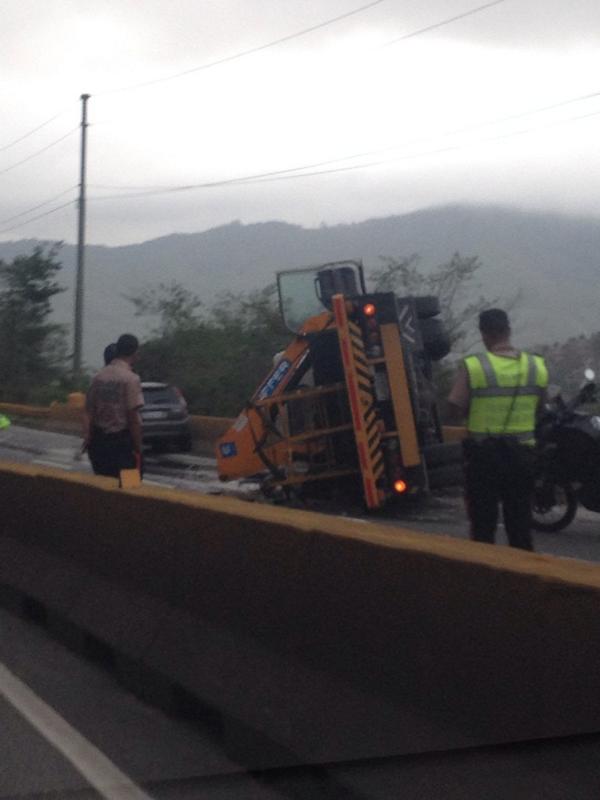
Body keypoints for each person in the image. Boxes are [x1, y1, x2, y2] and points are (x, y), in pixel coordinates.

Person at [447, 309, 548, 551]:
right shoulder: (536, 366)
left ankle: (486, 583)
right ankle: (523, 581)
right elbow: (540, 409)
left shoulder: (475, 366)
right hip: (522, 457)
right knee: (520, 525)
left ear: (484, 334)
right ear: (508, 331)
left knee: (483, 526)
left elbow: (454, 407)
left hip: (484, 458)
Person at [84, 334, 144, 478]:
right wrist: (138, 448)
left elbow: (88, 411)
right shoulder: (131, 379)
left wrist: (87, 437)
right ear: (135, 353)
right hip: (123, 446)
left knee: (103, 487)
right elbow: (132, 418)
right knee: (130, 487)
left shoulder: (98, 377)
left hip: (99, 444)